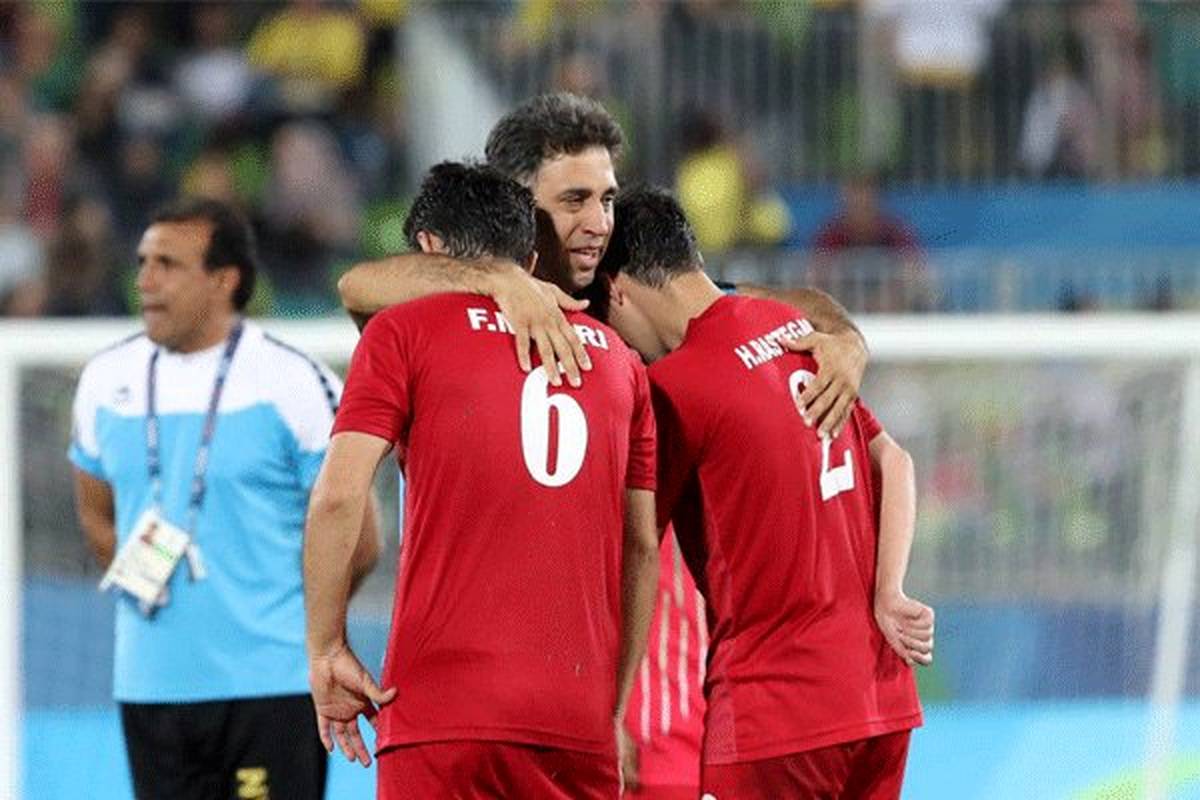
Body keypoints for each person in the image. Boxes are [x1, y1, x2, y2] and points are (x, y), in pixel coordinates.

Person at [303, 162, 661, 799]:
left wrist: (327, 646)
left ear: (426, 250)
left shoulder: (400, 332)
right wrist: (612, 708)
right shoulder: (621, 364)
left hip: (444, 711)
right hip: (575, 719)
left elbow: (337, 497)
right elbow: (641, 549)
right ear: (531, 259)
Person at [601, 186, 934, 799]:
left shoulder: (675, 387)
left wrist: (609, 707)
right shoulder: (794, 331)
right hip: (881, 701)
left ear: (618, 289)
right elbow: (894, 459)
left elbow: (637, 547)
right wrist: (889, 591)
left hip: (777, 715)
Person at [68, 197, 380, 800]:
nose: (145, 280)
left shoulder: (293, 381)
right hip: (150, 688)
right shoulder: (105, 380)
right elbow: (96, 516)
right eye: (142, 262)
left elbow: (359, 542)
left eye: (167, 264)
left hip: (272, 686)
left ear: (224, 280)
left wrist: (297, 628)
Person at [336, 92, 867, 440]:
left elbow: (769, 303)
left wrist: (847, 339)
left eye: (606, 199)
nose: (599, 224)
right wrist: (499, 279)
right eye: (574, 201)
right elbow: (358, 285)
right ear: (520, 200)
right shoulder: (464, 294)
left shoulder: (618, 295)